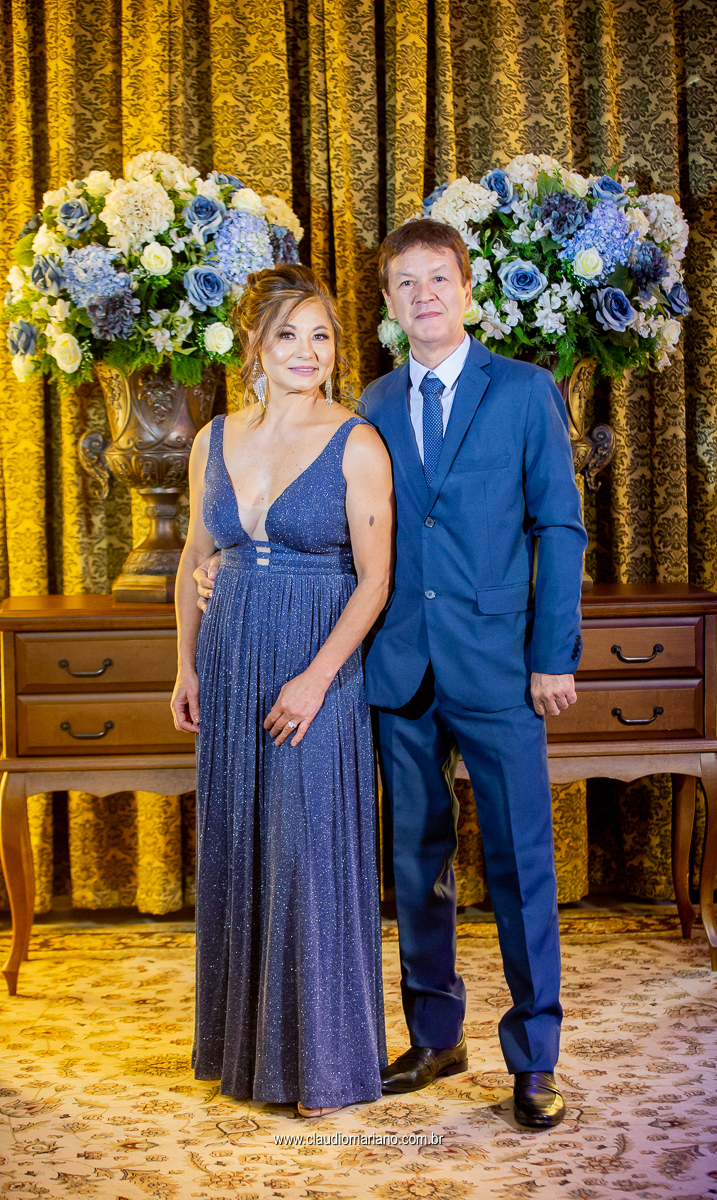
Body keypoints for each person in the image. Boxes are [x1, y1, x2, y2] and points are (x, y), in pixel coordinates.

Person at [194, 221, 587, 1130]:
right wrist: (223, 565)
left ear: (467, 289)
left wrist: (551, 653)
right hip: (397, 668)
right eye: (405, 284)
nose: (424, 296)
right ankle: (435, 1036)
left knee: (520, 865)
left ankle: (534, 1060)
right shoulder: (367, 403)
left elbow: (558, 527)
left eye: (438, 279)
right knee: (415, 862)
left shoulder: (524, 392)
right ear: (386, 305)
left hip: (499, 668)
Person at [171, 263, 393, 1117]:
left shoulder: (357, 440)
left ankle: (321, 1067)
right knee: (241, 847)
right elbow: (195, 560)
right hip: (231, 658)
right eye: (288, 334)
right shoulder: (213, 437)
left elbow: (375, 581)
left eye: (321, 335)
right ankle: (247, 1057)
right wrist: (185, 666)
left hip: (316, 662)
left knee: (305, 854)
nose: (307, 351)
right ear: (254, 345)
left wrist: (315, 678)